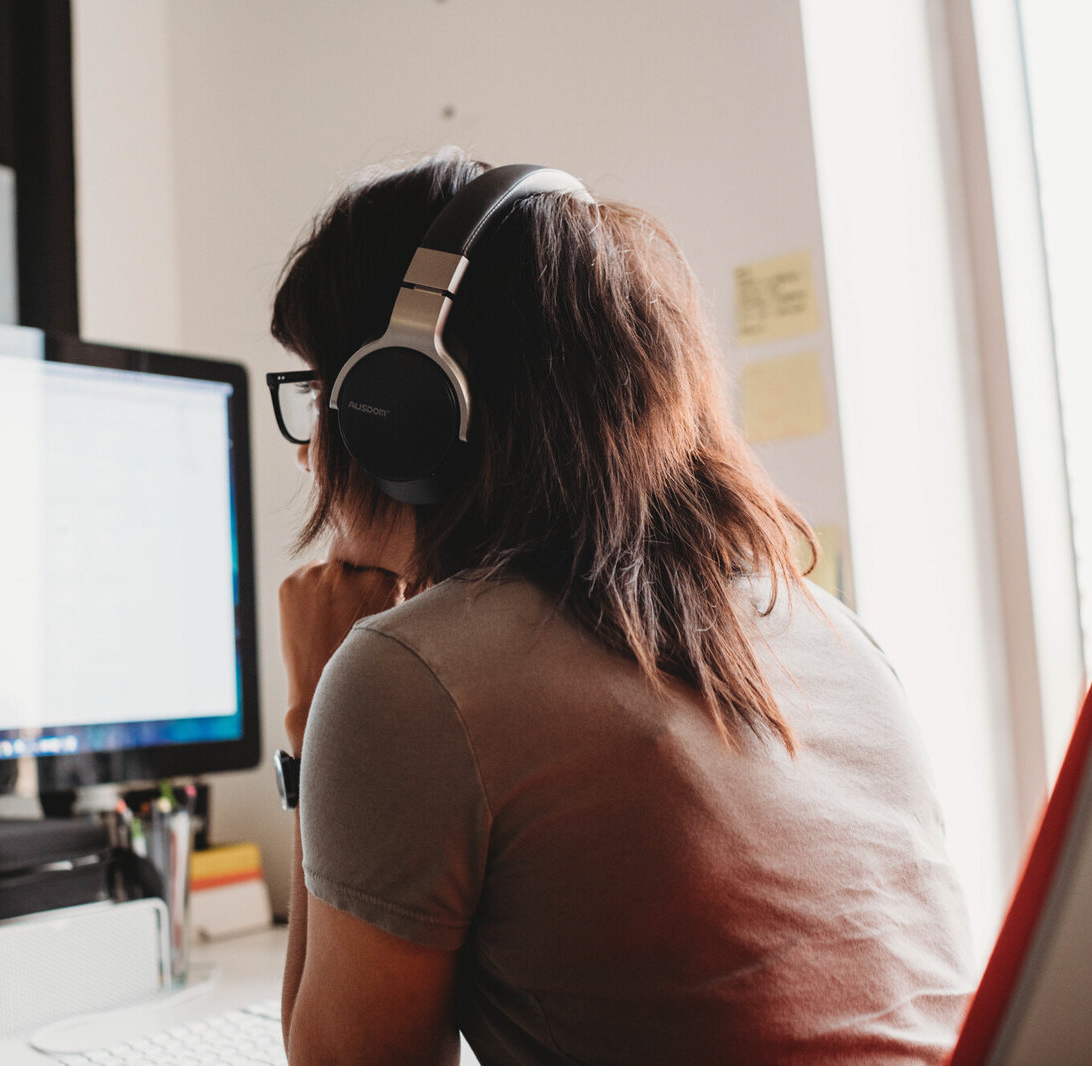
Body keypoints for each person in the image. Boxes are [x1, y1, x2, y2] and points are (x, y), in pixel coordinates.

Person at [266, 150, 975, 1066]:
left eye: (325, 395)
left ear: (406, 406)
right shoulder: (828, 626)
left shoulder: (409, 680)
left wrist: (317, 705)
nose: (308, 451)